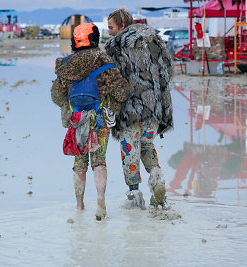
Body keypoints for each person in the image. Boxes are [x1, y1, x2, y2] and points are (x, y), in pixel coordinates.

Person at [51, 23, 129, 220]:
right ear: (94, 39)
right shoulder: (104, 61)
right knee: (99, 161)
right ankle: (101, 199)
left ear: (75, 41)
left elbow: (56, 96)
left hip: (76, 120)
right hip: (100, 119)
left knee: (79, 163)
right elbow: (122, 92)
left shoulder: (66, 64)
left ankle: (79, 206)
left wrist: (71, 109)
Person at [105, 8, 174, 209]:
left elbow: (111, 82)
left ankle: (134, 195)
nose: (109, 32)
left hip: (129, 111)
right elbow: (167, 72)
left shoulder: (115, 47)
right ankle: (157, 179)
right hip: (154, 108)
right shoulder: (156, 42)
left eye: (111, 27)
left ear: (122, 26)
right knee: (147, 146)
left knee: (129, 151)